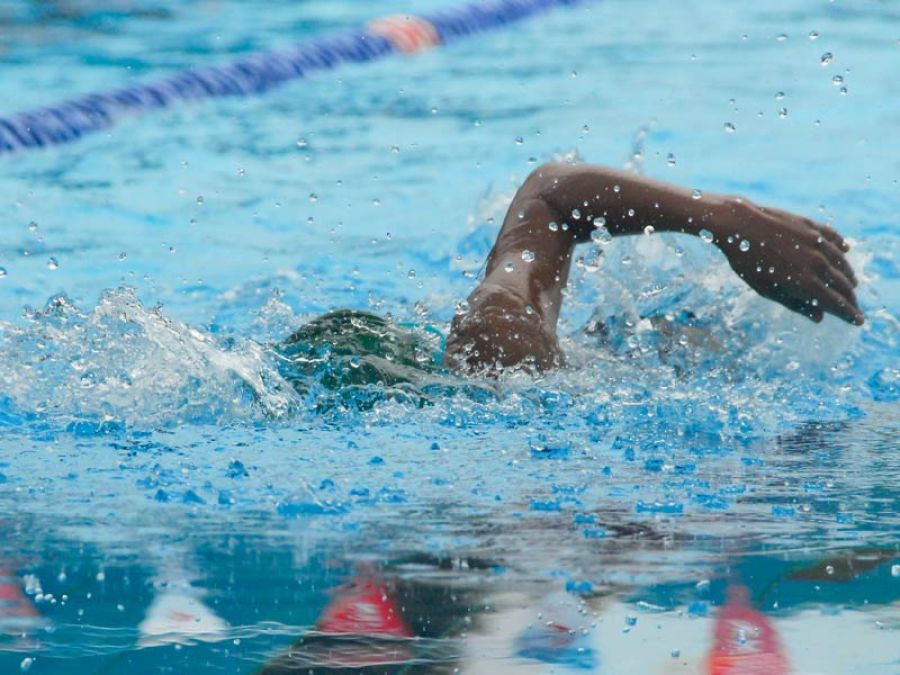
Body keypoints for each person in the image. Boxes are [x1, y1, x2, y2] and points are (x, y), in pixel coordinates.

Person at [276, 161, 862, 392]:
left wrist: (728, 220)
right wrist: (724, 218)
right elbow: (550, 195)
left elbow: (554, 196)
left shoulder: (497, 344)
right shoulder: (499, 351)